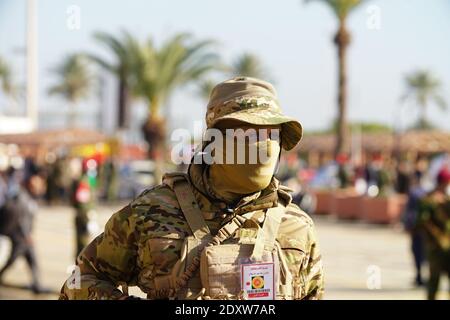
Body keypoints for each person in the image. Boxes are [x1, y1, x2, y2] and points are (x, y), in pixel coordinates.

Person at [59, 77, 324, 300]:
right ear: (214, 141)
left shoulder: (296, 226)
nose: (263, 145)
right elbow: (80, 281)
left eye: (270, 134)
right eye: (247, 133)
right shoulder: (151, 212)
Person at [0, 167, 45, 293]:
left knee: (32, 260)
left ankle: (37, 284)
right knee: (13, 260)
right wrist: (27, 235)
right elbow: (21, 219)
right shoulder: (23, 198)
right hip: (21, 237)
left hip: (24, 237)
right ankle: (37, 285)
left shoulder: (29, 197)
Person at [417, 167, 450, 300]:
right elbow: (422, 223)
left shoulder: (446, 199)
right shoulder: (428, 200)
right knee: (434, 282)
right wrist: (438, 238)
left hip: (448, 248)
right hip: (435, 247)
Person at [402, 171, 426, 286]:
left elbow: (409, 211)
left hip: (416, 226)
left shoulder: (413, 192)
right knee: (423, 252)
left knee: (417, 252)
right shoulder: (426, 192)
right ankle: (421, 276)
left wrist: (407, 225)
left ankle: (419, 276)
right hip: (424, 227)